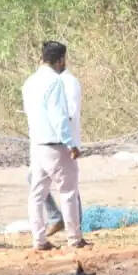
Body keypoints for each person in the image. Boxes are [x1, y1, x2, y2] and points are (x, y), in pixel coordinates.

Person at [23, 40, 87, 251]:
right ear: (60, 60)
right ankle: (74, 238)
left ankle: (39, 240)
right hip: (56, 144)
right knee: (68, 192)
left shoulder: (29, 82)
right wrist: (71, 143)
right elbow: (59, 116)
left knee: (37, 194)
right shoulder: (55, 81)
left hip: (38, 145)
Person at [42, 58, 84, 235]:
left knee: (68, 186)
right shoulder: (48, 81)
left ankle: (75, 227)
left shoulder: (68, 82)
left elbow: (69, 114)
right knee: (38, 182)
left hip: (61, 141)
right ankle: (56, 218)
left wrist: (69, 141)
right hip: (46, 140)